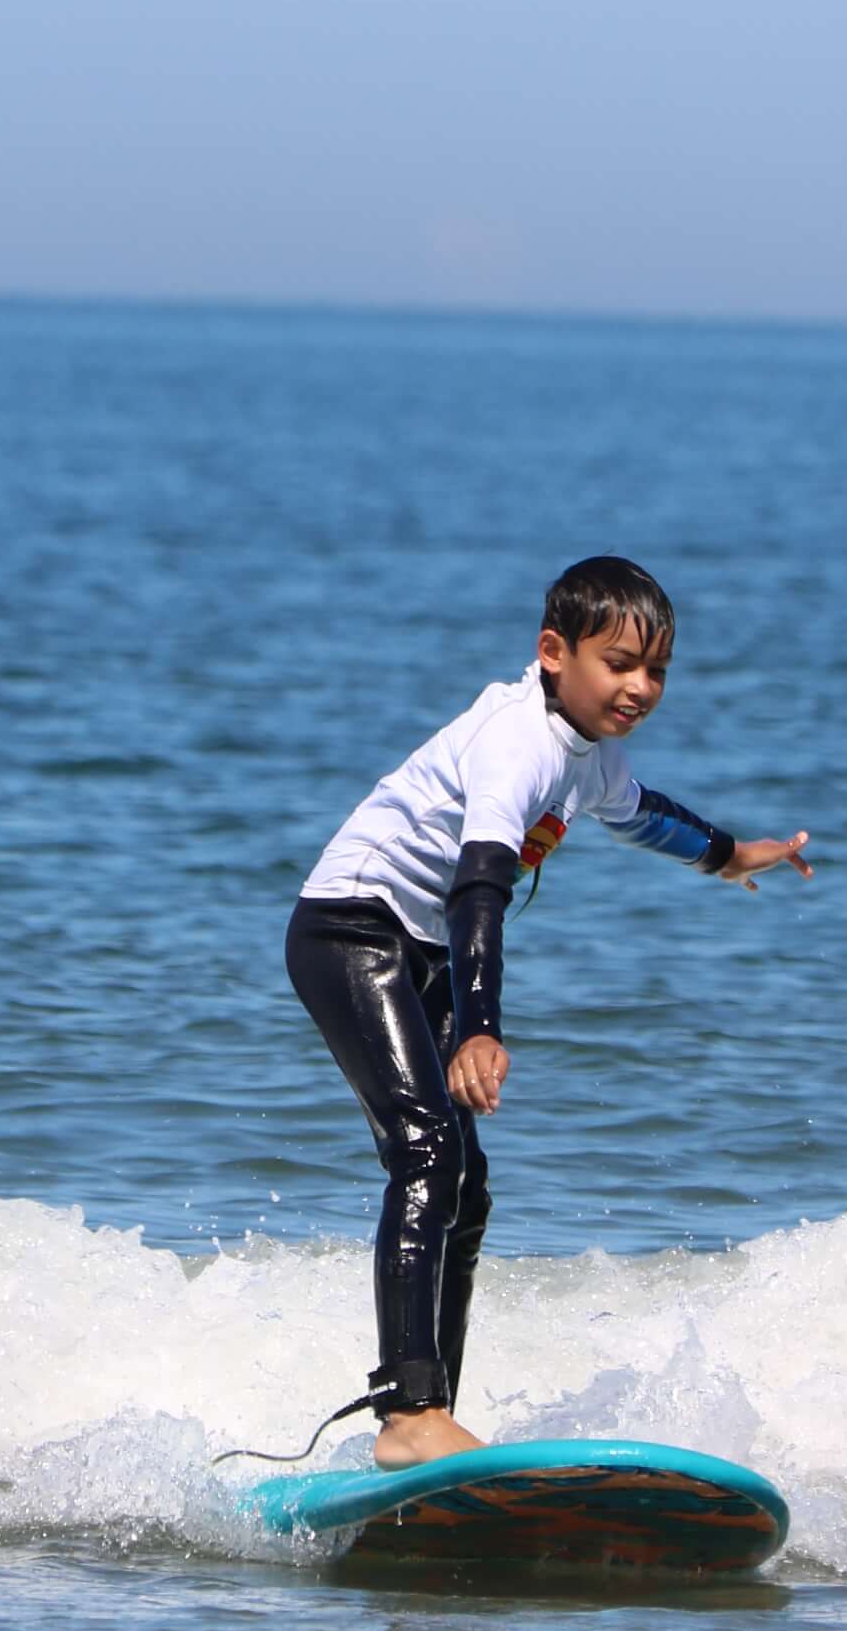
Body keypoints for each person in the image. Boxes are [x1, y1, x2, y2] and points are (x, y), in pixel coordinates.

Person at [285, 555, 810, 1467]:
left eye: (657, 670)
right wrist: (480, 1027)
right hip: (352, 930)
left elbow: (642, 814)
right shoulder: (516, 744)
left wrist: (728, 855)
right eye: (620, 664)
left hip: (423, 946)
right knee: (426, 1151)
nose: (640, 687)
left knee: (467, 1188)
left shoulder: (589, 754)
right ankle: (410, 1413)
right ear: (554, 653)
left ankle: (430, 1419)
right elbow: (478, 886)